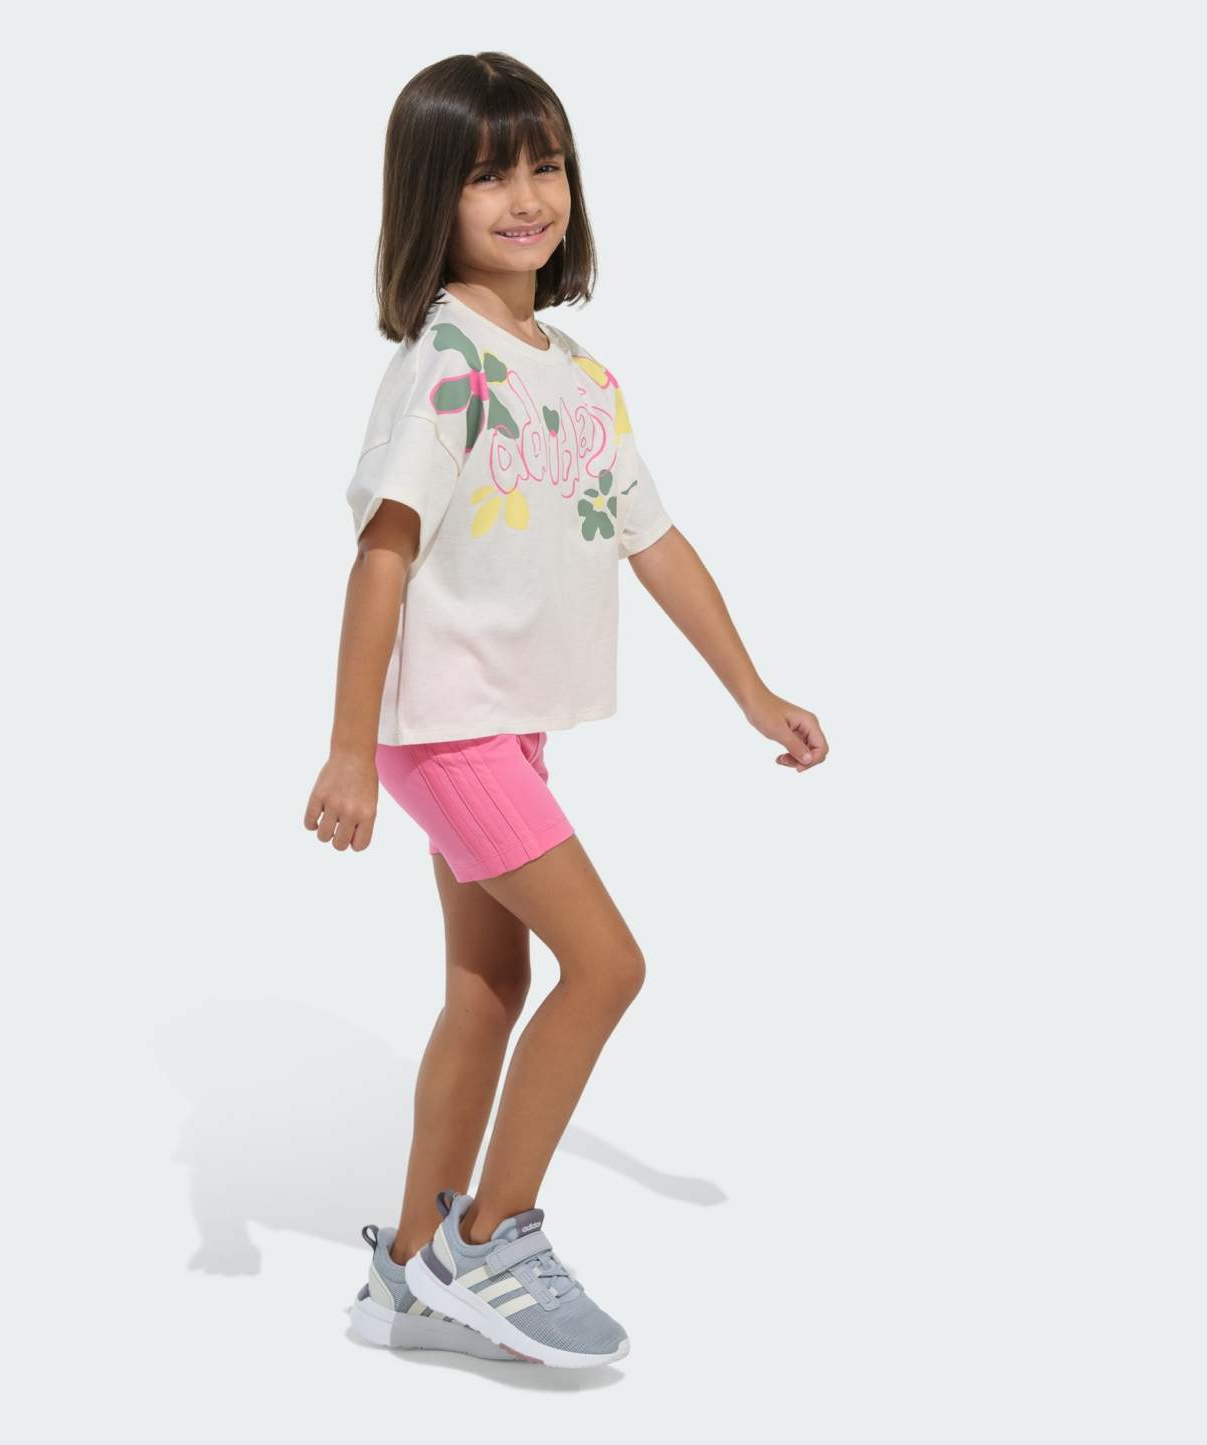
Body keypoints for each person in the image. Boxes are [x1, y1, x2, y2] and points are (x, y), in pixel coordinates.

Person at [311, 52, 829, 1368]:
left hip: (503, 728)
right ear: (429, 198)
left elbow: (656, 542)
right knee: (607, 965)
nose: (527, 196)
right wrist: (350, 750)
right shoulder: (445, 365)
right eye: (488, 176)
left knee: (490, 986)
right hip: (446, 731)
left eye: (544, 166)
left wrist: (752, 691)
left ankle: (411, 1274)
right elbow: (381, 557)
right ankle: (489, 1239)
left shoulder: (580, 378)